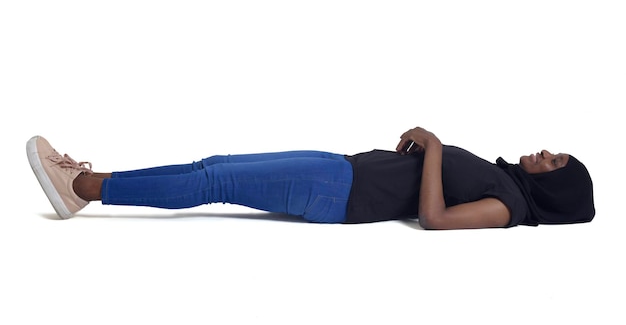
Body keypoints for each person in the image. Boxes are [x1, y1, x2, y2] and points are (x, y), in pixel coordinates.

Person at [25, 127, 596, 229]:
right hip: (341, 169)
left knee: (213, 184)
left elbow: (436, 219)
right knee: (213, 169)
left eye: (555, 162)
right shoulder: (504, 182)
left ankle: (80, 190)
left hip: (338, 193)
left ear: (556, 189)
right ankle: (90, 179)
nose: (545, 154)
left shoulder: (510, 207)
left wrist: (437, 146)